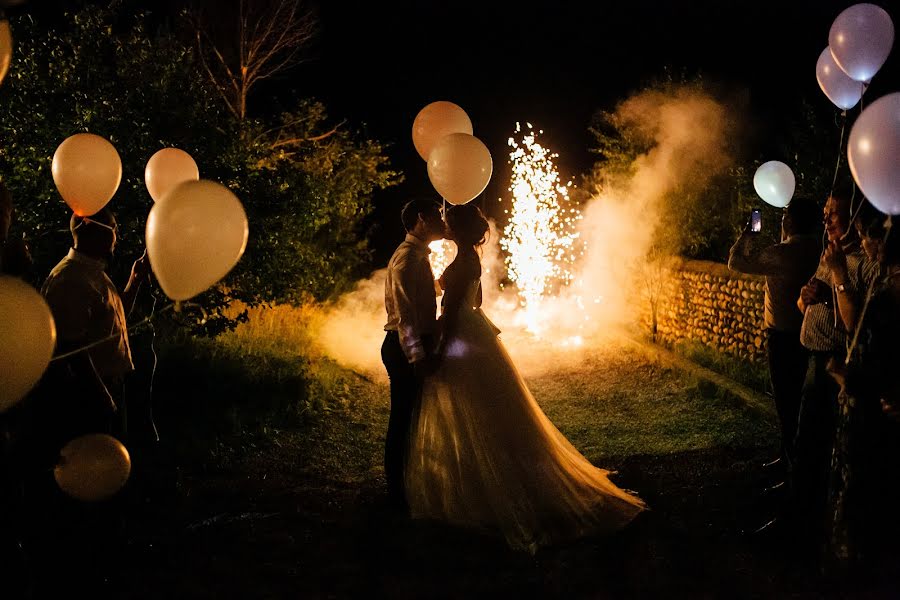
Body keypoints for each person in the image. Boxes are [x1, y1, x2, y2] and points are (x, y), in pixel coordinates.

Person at [406, 203, 645, 553]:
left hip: (462, 337)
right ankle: (484, 485)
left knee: (472, 411)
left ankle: (485, 491)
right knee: (491, 412)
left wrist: (438, 353)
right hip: (478, 334)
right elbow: (477, 300)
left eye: (447, 220)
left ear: (456, 229)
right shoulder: (470, 258)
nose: (443, 223)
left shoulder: (461, 262)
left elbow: (454, 313)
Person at [792, 190, 877, 551]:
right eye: (825, 214)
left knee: (817, 449)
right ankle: (801, 519)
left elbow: (857, 326)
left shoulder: (861, 262)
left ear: (855, 220)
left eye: (834, 214)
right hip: (811, 358)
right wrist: (805, 297)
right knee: (807, 445)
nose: (826, 220)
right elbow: (806, 306)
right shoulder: (829, 254)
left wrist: (835, 285)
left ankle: (809, 530)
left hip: (833, 368)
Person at [825, 204, 900, 570]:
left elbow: (856, 326)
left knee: (872, 484)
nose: (866, 245)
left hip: (882, 399)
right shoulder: (883, 278)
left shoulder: (889, 282)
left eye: (869, 235)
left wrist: (838, 273)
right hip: (871, 391)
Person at [728, 198, 821, 474]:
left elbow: (735, 261)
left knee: (786, 403)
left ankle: (791, 470)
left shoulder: (783, 254)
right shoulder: (819, 249)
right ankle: (788, 459)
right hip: (809, 337)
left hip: (783, 338)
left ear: (789, 222)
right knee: (798, 405)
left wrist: (749, 232)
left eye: (784, 217)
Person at [381, 198, 445, 513]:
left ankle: (406, 483)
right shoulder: (407, 260)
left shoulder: (416, 257)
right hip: (403, 347)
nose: (444, 220)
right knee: (403, 420)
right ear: (422, 219)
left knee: (412, 417)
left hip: (408, 344)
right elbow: (405, 315)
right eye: (438, 215)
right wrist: (417, 356)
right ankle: (397, 491)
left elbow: (422, 294)